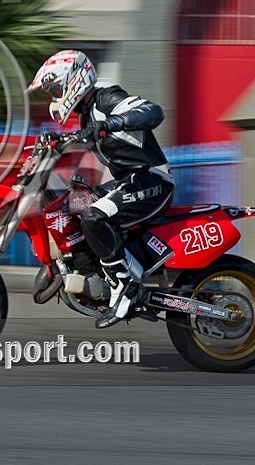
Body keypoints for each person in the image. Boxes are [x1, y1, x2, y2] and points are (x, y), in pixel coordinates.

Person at [26, 50, 175, 328]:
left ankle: (125, 289)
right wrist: (54, 141)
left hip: (151, 181)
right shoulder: (85, 116)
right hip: (126, 182)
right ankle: (80, 268)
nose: (55, 98)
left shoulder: (106, 99)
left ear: (75, 81)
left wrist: (109, 123)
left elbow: (153, 111)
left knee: (94, 215)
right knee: (72, 203)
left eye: (57, 89)